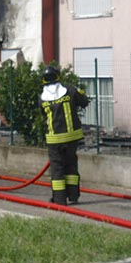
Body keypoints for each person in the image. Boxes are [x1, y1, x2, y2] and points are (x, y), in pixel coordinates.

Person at [39, 64, 89, 205]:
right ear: (58, 76)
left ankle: (60, 199)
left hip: (54, 140)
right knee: (71, 165)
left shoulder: (42, 98)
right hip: (71, 137)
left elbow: (43, 115)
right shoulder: (70, 91)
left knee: (57, 169)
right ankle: (73, 195)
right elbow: (84, 102)